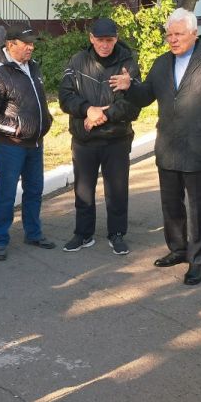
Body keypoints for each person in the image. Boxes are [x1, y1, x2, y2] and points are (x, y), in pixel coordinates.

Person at [109, 8, 201, 286]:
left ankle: (198, 260)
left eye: (178, 34)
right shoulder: (162, 63)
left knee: (199, 208)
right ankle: (178, 249)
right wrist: (130, 86)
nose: (173, 39)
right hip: (168, 146)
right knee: (171, 205)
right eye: (169, 34)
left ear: (193, 33)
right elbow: (145, 97)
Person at [58, 18, 142, 255]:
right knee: (83, 191)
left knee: (117, 191)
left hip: (117, 138)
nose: (105, 45)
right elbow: (65, 96)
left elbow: (134, 104)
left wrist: (102, 116)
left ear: (116, 39)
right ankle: (83, 234)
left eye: (110, 40)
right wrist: (87, 110)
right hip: (84, 139)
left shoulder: (128, 64)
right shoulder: (77, 61)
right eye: (100, 40)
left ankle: (117, 234)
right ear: (91, 39)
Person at [0, 24, 56, 260]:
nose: (31, 47)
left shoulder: (33, 67)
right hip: (10, 146)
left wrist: (46, 120)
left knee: (35, 189)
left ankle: (33, 233)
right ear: (10, 44)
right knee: (6, 192)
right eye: (27, 43)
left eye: (33, 43)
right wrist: (17, 128)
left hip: (35, 143)